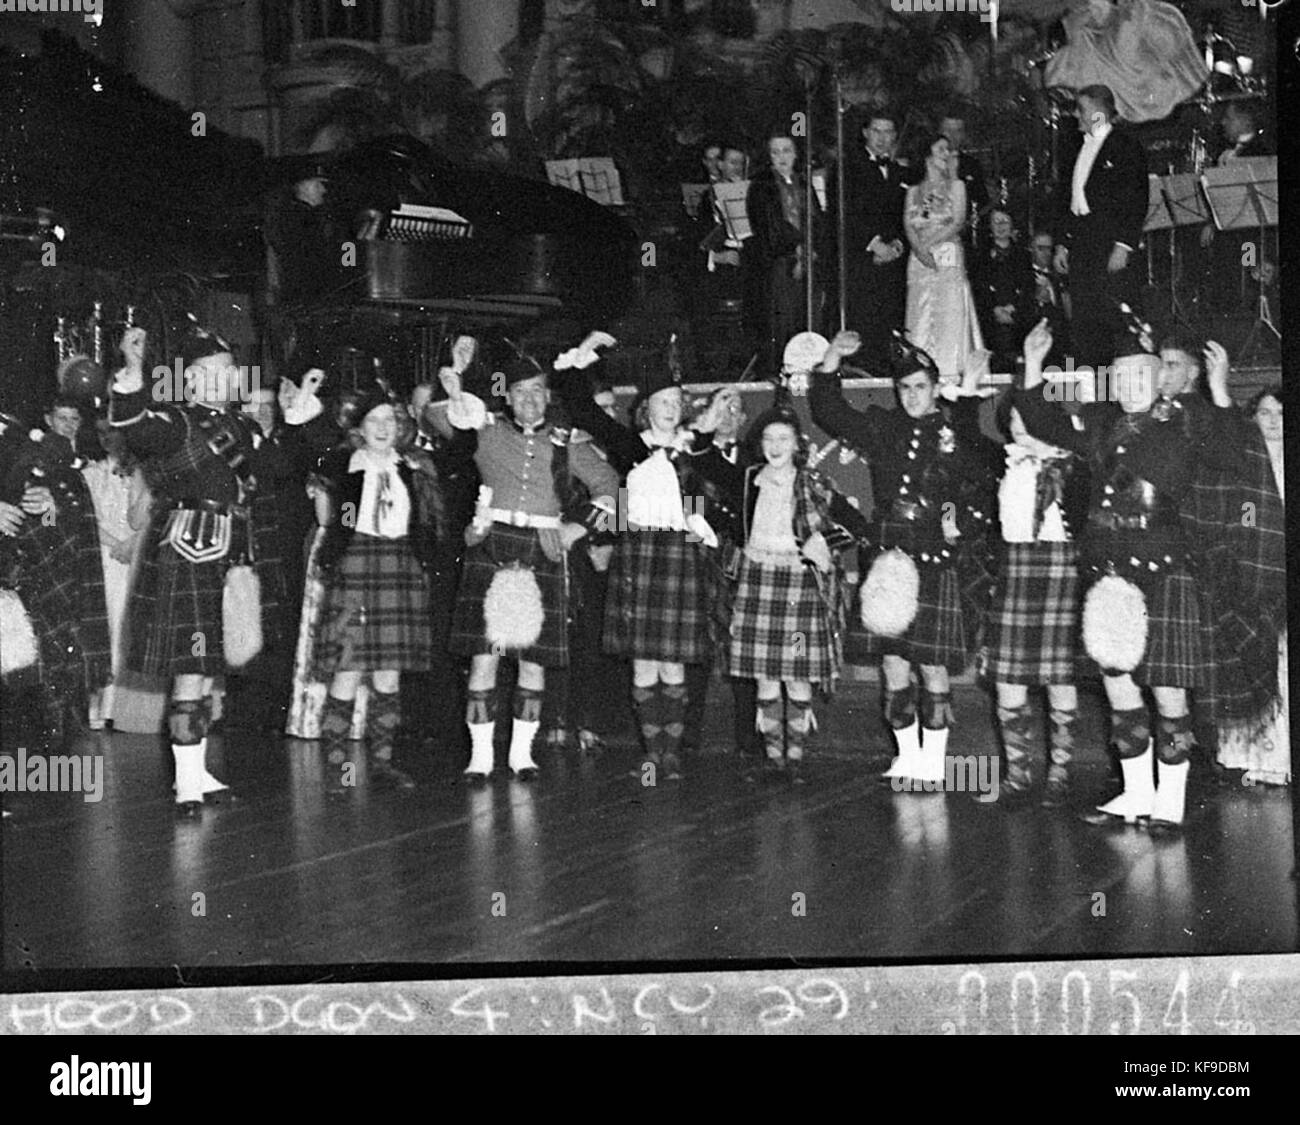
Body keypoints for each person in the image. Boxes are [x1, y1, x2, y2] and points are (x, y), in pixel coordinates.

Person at [1013, 321, 1253, 835]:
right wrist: (1033, 366)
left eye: (1138, 376)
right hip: (1107, 573)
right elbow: (1043, 423)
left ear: (1159, 378)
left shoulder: (1187, 420)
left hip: (1163, 570)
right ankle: (1135, 792)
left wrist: (1220, 391)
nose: (1128, 386)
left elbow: (1235, 456)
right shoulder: (1101, 424)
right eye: (1119, 377)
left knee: (1168, 692)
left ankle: (1169, 800)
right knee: (1119, 688)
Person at [108, 323, 298, 816]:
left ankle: (198, 772)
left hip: (233, 549)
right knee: (192, 670)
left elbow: (280, 469)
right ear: (188, 381)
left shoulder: (242, 428)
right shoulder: (174, 423)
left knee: (212, 669)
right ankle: (188, 785)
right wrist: (132, 371)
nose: (220, 380)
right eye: (207, 374)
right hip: (190, 547)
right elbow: (132, 425)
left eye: (227, 371)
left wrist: (296, 419)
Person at [809, 330, 994, 788]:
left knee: (930, 662)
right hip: (888, 549)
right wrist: (832, 358)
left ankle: (933, 765)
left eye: (920, 387)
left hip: (932, 549)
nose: (912, 396)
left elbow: (975, 485)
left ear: (934, 388)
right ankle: (907, 758)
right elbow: (828, 411)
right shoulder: (882, 426)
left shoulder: (954, 431)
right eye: (904, 388)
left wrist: (953, 521)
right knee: (892, 660)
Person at [441, 335, 619, 782]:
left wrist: (576, 529)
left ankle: (523, 756)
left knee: (531, 659)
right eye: (520, 392)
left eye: (537, 391)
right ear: (508, 397)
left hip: (543, 547)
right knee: (485, 656)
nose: (529, 400)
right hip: (491, 545)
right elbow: (438, 418)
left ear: (547, 396)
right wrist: (458, 379)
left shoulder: (567, 445)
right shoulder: (486, 432)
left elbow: (612, 487)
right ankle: (480, 759)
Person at [552, 336, 719, 781]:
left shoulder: (693, 447)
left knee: (674, 662)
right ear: (646, 406)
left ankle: (672, 754)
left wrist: (698, 528)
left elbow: (696, 497)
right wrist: (582, 353)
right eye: (661, 400)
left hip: (681, 555)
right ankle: (651, 752)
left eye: (675, 400)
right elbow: (581, 407)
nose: (669, 406)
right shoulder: (630, 445)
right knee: (644, 661)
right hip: (640, 553)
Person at [692, 385, 868, 782]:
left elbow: (858, 525)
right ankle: (774, 761)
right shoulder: (747, 478)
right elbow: (701, 460)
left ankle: (797, 759)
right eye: (768, 438)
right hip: (757, 582)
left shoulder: (815, 482)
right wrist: (710, 421)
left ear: (797, 444)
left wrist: (824, 540)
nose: (774, 445)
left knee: (796, 675)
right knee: (766, 677)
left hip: (799, 585)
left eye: (783, 438)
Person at [949, 324, 1091, 809]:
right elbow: (965, 436)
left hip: (1060, 571)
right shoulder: (1003, 464)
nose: (1021, 429)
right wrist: (970, 385)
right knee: (1008, 678)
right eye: (1013, 421)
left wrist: (1034, 365)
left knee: (1059, 677)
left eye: (1029, 420)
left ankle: (1060, 774)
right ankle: (1018, 774)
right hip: (1015, 572)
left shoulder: (1074, 465)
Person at [311, 378, 443, 791]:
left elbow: (428, 525)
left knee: (388, 676)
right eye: (374, 420)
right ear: (360, 427)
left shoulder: (414, 469)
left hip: (400, 567)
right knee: (347, 671)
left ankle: (383, 764)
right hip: (356, 564)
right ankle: (338, 769)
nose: (383, 427)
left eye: (390, 419)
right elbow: (333, 522)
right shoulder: (342, 466)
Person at [682, 384, 762, 765]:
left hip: (744, 559)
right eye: (722, 408)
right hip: (702, 556)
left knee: (744, 650)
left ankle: (749, 739)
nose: (729, 416)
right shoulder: (691, 458)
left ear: (744, 419)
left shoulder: (759, 460)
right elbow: (689, 501)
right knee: (697, 648)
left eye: (736, 409)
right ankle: (688, 738)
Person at [1214, 387, 1286, 786]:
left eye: (1280, 412)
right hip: (1260, 578)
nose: (1273, 420)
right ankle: (1261, 758)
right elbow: (1247, 522)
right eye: (1264, 412)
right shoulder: (1246, 470)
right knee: (1261, 665)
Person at [1054, 84, 1147, 370]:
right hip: (1081, 243)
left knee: (1112, 318)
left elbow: (1137, 200)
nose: (1076, 116)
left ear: (1098, 113)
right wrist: (1062, 243)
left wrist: (1123, 245)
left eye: (1081, 109)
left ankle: (1116, 387)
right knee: (1082, 320)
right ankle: (1091, 386)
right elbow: (1065, 199)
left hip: (1108, 246)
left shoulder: (1125, 147)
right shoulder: (1073, 147)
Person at [903, 135, 988, 382]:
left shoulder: (956, 186)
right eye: (941, 149)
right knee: (920, 310)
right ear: (927, 154)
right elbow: (908, 224)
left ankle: (949, 371)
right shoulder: (914, 190)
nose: (947, 154)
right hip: (919, 256)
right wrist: (918, 249)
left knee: (948, 309)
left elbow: (959, 220)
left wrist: (928, 245)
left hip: (946, 251)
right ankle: (919, 371)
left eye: (949, 150)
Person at [834, 111, 911, 367]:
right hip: (862, 260)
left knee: (891, 321)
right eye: (876, 131)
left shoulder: (900, 171)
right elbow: (844, 212)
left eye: (888, 132)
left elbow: (906, 214)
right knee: (864, 323)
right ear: (866, 133)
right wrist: (875, 245)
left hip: (894, 262)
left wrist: (898, 244)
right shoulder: (846, 166)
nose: (882, 137)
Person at [82, 423, 144, 730]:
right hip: (108, 557)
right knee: (110, 627)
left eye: (114, 432)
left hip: (139, 554)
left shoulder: (144, 470)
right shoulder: (92, 474)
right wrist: (117, 544)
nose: (109, 439)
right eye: (103, 433)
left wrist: (134, 543)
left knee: (133, 628)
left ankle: (125, 709)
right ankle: (101, 705)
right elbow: (87, 520)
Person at [745, 131, 819, 377]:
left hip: (809, 259)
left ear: (796, 154)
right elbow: (768, 225)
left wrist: (811, 247)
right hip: (779, 263)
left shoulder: (803, 182)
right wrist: (798, 246)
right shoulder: (761, 185)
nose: (782, 157)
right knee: (781, 322)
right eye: (775, 152)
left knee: (807, 318)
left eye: (786, 150)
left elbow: (817, 218)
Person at [972, 208, 1035, 375]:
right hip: (991, 318)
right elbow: (979, 289)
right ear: (990, 228)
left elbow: (1029, 287)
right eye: (996, 222)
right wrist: (995, 309)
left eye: (1005, 221)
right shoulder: (980, 257)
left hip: (1018, 315)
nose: (1001, 226)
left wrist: (1013, 309)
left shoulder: (1023, 255)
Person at [939, 112, 989, 252]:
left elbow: (982, 202)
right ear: (940, 132)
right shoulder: (926, 164)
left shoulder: (972, 165)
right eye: (948, 130)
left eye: (958, 131)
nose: (952, 136)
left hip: (964, 239)